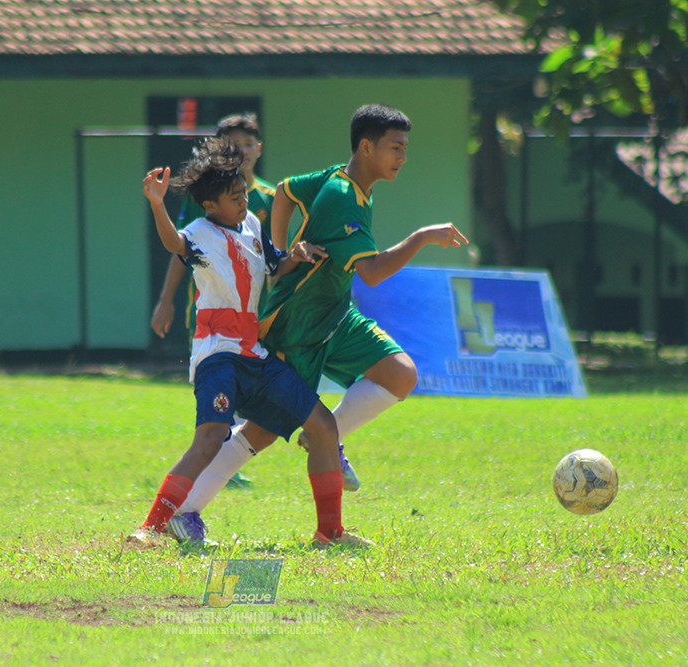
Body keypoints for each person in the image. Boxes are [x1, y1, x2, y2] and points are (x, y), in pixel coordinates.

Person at [165, 104, 470, 545]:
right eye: (396, 148)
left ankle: (325, 451)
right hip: (299, 326)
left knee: (399, 373)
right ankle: (186, 511)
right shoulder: (342, 197)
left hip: (336, 314)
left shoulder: (341, 178)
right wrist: (421, 237)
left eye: (405, 148)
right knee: (259, 433)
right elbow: (372, 272)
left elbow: (285, 191)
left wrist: (278, 252)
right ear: (366, 148)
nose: (403, 157)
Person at [126, 137, 372, 550]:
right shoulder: (199, 232)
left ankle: (330, 534)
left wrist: (296, 254)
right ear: (210, 205)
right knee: (210, 438)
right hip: (218, 356)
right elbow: (173, 244)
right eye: (235, 197)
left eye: (244, 193)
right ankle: (150, 529)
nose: (244, 201)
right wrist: (156, 204)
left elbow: (273, 264)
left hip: (255, 355)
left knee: (324, 425)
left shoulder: (253, 227)